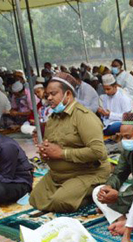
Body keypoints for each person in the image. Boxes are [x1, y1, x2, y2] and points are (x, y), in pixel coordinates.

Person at [29, 73, 112, 213]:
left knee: (59, 202)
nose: (49, 98)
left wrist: (62, 153)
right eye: (47, 95)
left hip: (86, 173)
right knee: (35, 199)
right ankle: (73, 195)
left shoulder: (83, 117)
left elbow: (99, 152)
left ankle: (91, 194)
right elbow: (51, 148)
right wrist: (45, 151)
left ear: (67, 94)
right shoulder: (53, 118)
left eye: (53, 94)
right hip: (58, 175)